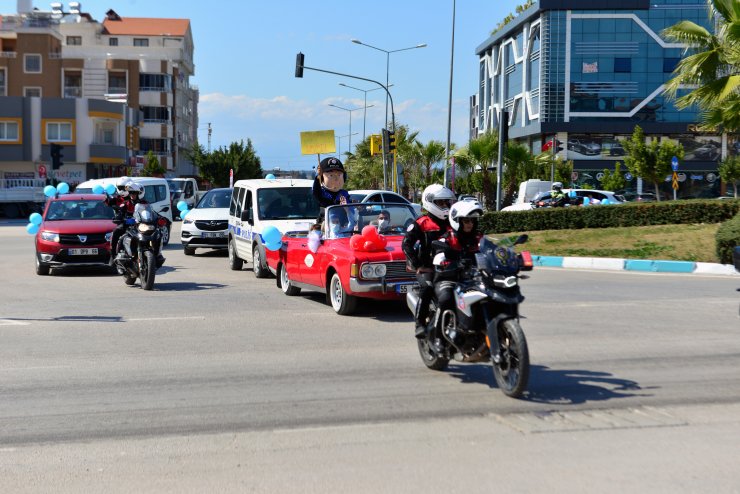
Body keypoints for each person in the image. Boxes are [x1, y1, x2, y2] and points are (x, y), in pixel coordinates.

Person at [402, 183, 456, 339]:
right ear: (429, 202)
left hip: (450, 267)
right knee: (427, 287)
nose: (445, 205)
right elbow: (406, 244)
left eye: (447, 202)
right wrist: (418, 266)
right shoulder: (421, 223)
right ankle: (420, 323)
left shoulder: (453, 222)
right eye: (441, 202)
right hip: (428, 268)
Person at [432, 200, 485, 349]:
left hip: (473, 279)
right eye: (466, 220)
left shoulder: (478, 237)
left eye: (473, 221)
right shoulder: (447, 237)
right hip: (449, 278)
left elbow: (489, 251)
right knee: (446, 298)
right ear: (457, 221)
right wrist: (451, 261)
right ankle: (438, 337)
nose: (470, 224)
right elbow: (438, 254)